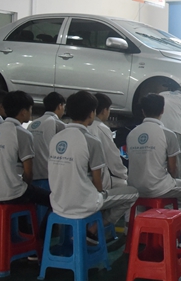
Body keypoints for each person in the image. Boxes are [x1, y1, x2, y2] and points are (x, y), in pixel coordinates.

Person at [48, 91, 138, 238]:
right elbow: (98, 183)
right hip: (83, 204)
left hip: (57, 204)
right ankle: (94, 229)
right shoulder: (91, 141)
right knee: (132, 192)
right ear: (91, 113)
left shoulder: (56, 138)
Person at [127, 94, 181, 216]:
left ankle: (143, 223)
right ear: (162, 110)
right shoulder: (168, 134)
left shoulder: (132, 134)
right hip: (159, 187)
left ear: (143, 111)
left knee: (145, 200)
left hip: (135, 187)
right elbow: (173, 169)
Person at [0, 90, 51, 237]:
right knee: (54, 201)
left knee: (26, 196)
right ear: (23, 111)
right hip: (10, 193)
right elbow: (28, 173)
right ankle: (39, 239)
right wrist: (24, 184)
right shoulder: (22, 133)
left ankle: (22, 234)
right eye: (30, 109)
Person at [88, 93, 128, 189]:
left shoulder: (85, 126)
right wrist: (124, 175)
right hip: (98, 180)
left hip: (83, 177)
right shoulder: (102, 128)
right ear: (104, 110)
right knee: (126, 186)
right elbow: (113, 158)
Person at [29, 92, 66, 188]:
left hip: (31, 174)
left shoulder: (32, 124)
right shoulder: (58, 124)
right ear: (60, 106)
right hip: (48, 176)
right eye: (63, 106)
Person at [159, 84, 181, 179]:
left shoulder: (161, 94)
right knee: (177, 163)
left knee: (159, 160)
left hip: (159, 129)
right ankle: (177, 183)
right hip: (177, 131)